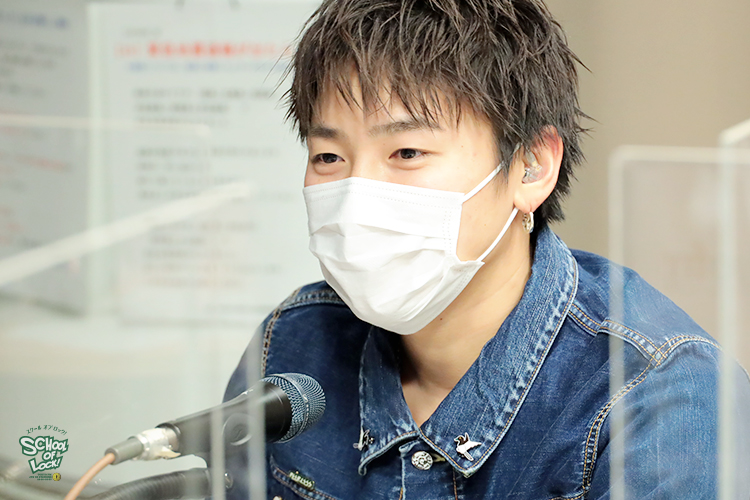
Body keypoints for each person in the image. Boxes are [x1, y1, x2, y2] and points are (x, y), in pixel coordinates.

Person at [222, 0, 750, 498]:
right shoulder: (293, 341)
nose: (355, 197)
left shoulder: (659, 393)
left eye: (407, 152)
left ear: (531, 166)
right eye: (328, 157)